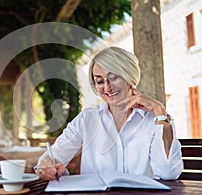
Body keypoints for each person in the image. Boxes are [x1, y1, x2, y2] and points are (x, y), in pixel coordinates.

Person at [34, 46, 183, 180]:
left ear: (130, 78)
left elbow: (169, 173)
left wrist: (161, 113)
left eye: (114, 78)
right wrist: (46, 166)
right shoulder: (87, 119)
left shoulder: (155, 120)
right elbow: (53, 156)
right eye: (99, 81)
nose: (107, 88)